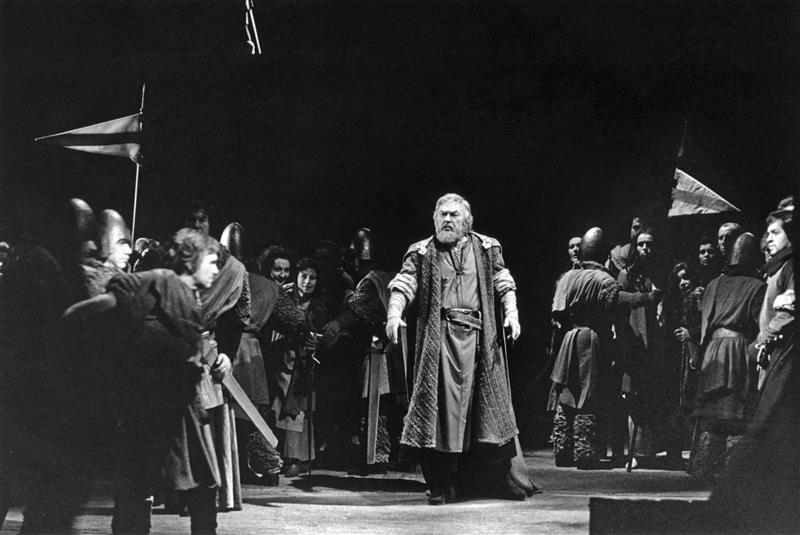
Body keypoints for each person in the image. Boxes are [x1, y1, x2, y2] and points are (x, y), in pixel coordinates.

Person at [63, 228, 231, 534]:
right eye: (211, 262)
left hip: (183, 408)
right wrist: (70, 321)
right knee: (136, 485)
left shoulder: (192, 298)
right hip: (149, 407)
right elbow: (108, 301)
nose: (216, 270)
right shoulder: (159, 280)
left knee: (204, 485)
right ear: (191, 260)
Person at [385, 193, 525, 504]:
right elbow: (404, 283)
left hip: (480, 342)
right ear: (434, 219)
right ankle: (443, 484)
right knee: (442, 414)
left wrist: (512, 313)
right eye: (442, 214)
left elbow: (503, 281)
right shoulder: (422, 252)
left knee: (487, 410)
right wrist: (394, 313)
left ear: (467, 221)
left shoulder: (487, 248)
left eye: (454, 215)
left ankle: (496, 481)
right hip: (441, 343)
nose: (447, 219)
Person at [712, 196, 796, 533]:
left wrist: (764, 341)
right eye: (767, 233)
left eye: (776, 232)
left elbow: (788, 312)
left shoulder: (789, 267)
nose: (768, 239)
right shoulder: (777, 268)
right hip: (773, 354)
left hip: (786, 356)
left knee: (766, 424)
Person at [549, 227, 661, 469]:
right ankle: (584, 452)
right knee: (587, 396)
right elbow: (622, 299)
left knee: (567, 395)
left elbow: (557, 314)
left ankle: (563, 450)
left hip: (568, 339)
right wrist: (648, 298)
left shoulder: (567, 277)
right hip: (589, 340)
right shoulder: (601, 278)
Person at [688, 233, 765, 484]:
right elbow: (761, 325)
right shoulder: (757, 287)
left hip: (713, 351)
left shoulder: (713, 284)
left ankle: (703, 468)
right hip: (738, 352)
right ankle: (734, 472)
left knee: (712, 413)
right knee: (736, 413)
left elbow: (705, 325)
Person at [618, 228, 682, 468]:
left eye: (650, 244)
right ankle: (637, 452)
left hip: (658, 345)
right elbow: (620, 308)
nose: (646, 249)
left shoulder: (662, 274)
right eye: (642, 244)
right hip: (636, 343)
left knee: (658, 397)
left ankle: (657, 449)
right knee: (634, 398)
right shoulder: (627, 275)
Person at [270, 258, 330, 476]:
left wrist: (317, 342)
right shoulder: (286, 297)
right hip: (284, 358)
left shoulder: (319, 306)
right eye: (303, 276)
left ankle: (300, 458)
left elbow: (323, 335)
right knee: (282, 406)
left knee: (300, 408)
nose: (307, 281)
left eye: (312, 278)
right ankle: (284, 456)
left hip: (305, 362)